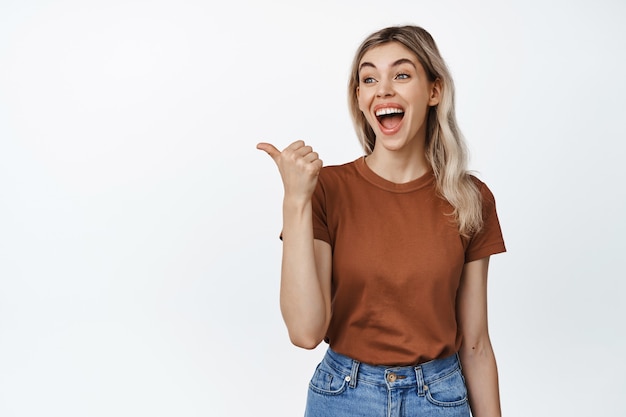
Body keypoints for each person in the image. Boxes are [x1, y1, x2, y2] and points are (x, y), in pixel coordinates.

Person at [257, 25, 506, 417]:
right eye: (369, 78)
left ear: (434, 91)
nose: (383, 89)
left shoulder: (471, 198)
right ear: (359, 98)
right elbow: (305, 332)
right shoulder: (327, 190)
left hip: (439, 399)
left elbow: (475, 344)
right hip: (342, 397)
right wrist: (295, 201)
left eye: (402, 75)